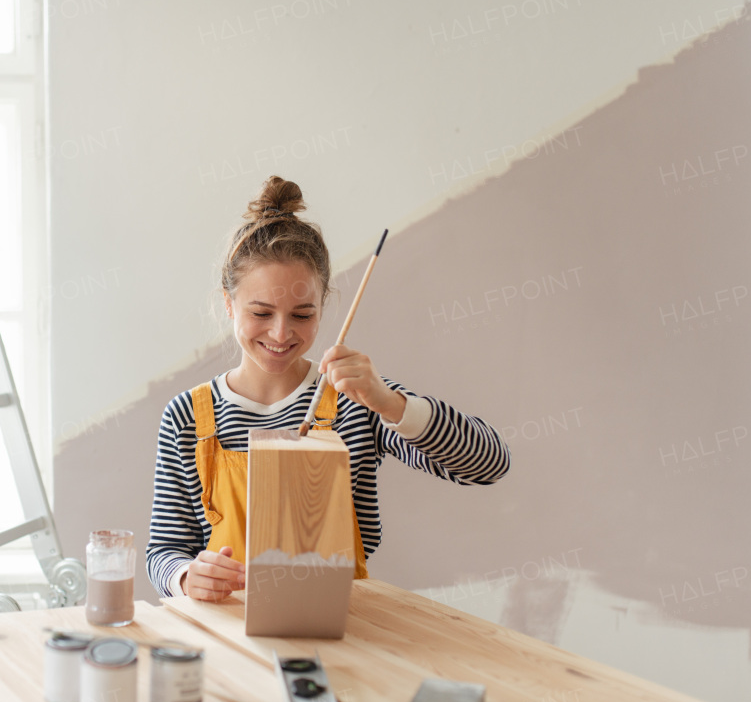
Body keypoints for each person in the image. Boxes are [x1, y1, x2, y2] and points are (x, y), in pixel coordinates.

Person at [145, 175, 511, 601]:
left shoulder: (355, 401)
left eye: (302, 315)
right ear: (228, 304)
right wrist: (187, 576)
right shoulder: (187, 416)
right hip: (229, 629)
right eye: (261, 312)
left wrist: (390, 404)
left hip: (340, 624)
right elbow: (164, 552)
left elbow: (489, 464)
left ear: (323, 306)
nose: (280, 334)